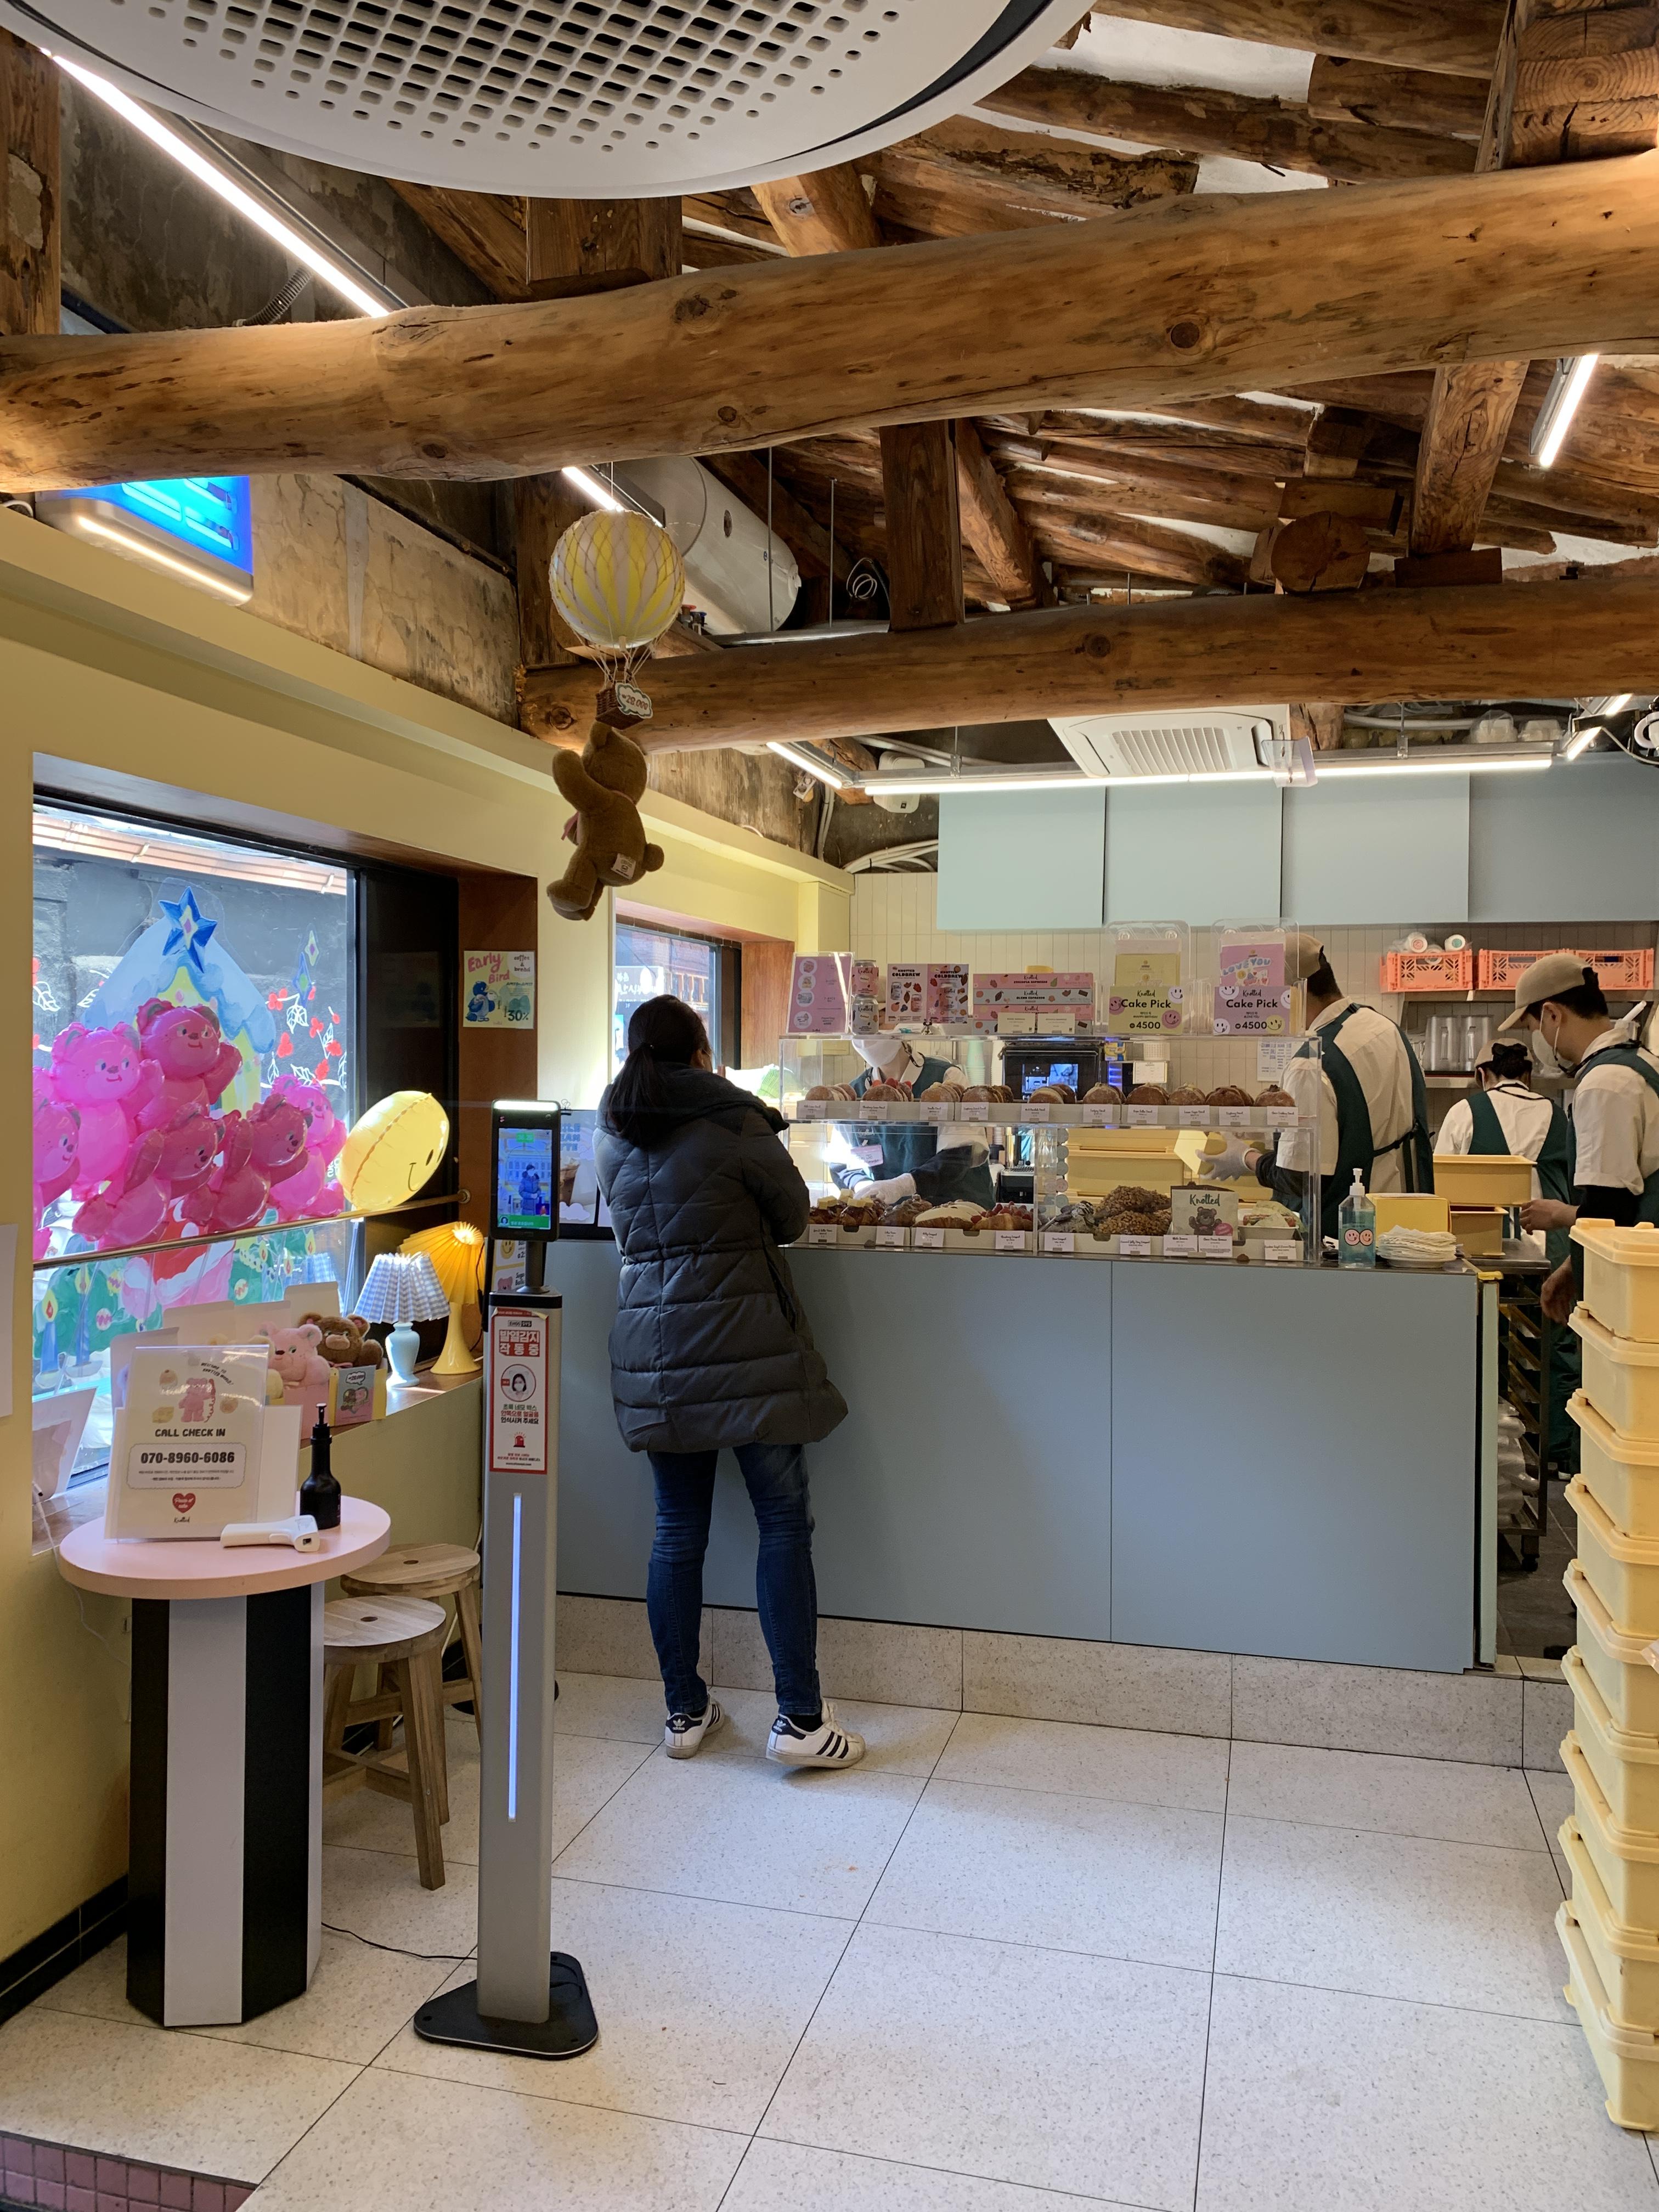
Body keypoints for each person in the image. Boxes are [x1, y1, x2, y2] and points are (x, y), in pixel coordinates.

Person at [594, 994, 866, 1771]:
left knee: (676, 1533)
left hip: (654, 1356)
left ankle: (684, 1711)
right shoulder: (736, 1121)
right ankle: (800, 1719)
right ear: (700, 1053)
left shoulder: (612, 1132)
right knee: (782, 1523)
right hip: (747, 1351)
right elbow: (792, 1217)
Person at [1205, 934, 1432, 1240]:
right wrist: (1268, 1129)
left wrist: (1245, 1158)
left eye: (1261, 999)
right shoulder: (1382, 1026)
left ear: (1294, 991)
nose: (1257, 1010)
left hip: (1350, 1235)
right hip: (1408, 1220)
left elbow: (1300, 1177)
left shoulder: (1310, 1064)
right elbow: (1363, 1118)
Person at [1440, 1037, 1580, 1470]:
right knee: (1557, 1350)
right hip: (1554, 1247)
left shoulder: (1465, 1112)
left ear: (1482, 1075)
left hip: (1484, 1246)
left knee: (1485, 1342)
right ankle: (1554, 1455)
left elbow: (1438, 1182)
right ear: (1529, 1075)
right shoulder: (1558, 1115)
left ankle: (1488, 1449)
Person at [1496, 954, 1659, 1323]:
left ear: (1552, 1014)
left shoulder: (1606, 1084)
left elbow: (1610, 1212)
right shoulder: (1639, 1064)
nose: (1537, 1039)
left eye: (1533, 1026)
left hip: (1639, 1284)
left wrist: (1558, 1215)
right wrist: (1572, 1267)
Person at [825, 1030, 994, 1210]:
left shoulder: (947, 1079)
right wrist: (864, 1187)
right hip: (889, 1217)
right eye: (859, 1024)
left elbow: (958, 1156)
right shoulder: (855, 1092)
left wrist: (902, 1186)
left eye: (880, 1019)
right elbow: (841, 1165)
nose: (868, 1030)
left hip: (954, 1211)